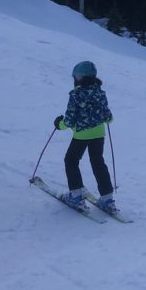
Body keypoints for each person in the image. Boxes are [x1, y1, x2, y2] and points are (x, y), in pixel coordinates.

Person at [55, 60, 116, 213]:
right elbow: (108, 117)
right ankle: (107, 199)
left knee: (71, 160)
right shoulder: (99, 92)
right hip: (99, 134)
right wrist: (104, 118)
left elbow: (69, 120)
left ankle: (76, 197)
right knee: (98, 162)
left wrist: (59, 124)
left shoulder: (76, 94)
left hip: (81, 134)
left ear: (80, 77)